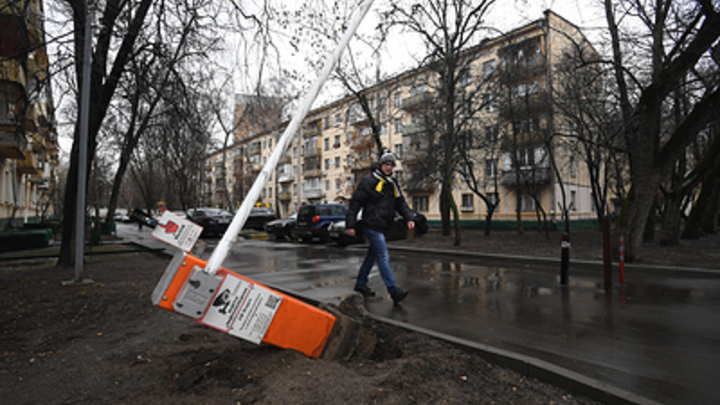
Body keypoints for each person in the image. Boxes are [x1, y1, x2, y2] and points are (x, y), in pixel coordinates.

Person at [346, 152, 415, 305]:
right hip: (371, 224)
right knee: (383, 256)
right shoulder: (369, 181)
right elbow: (355, 203)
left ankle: (360, 284)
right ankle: (393, 290)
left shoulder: (392, 183)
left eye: (391, 165)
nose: (389, 168)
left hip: (383, 225)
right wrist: (350, 225)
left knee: (372, 256)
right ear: (381, 165)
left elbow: (401, 203)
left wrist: (409, 218)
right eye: (387, 164)